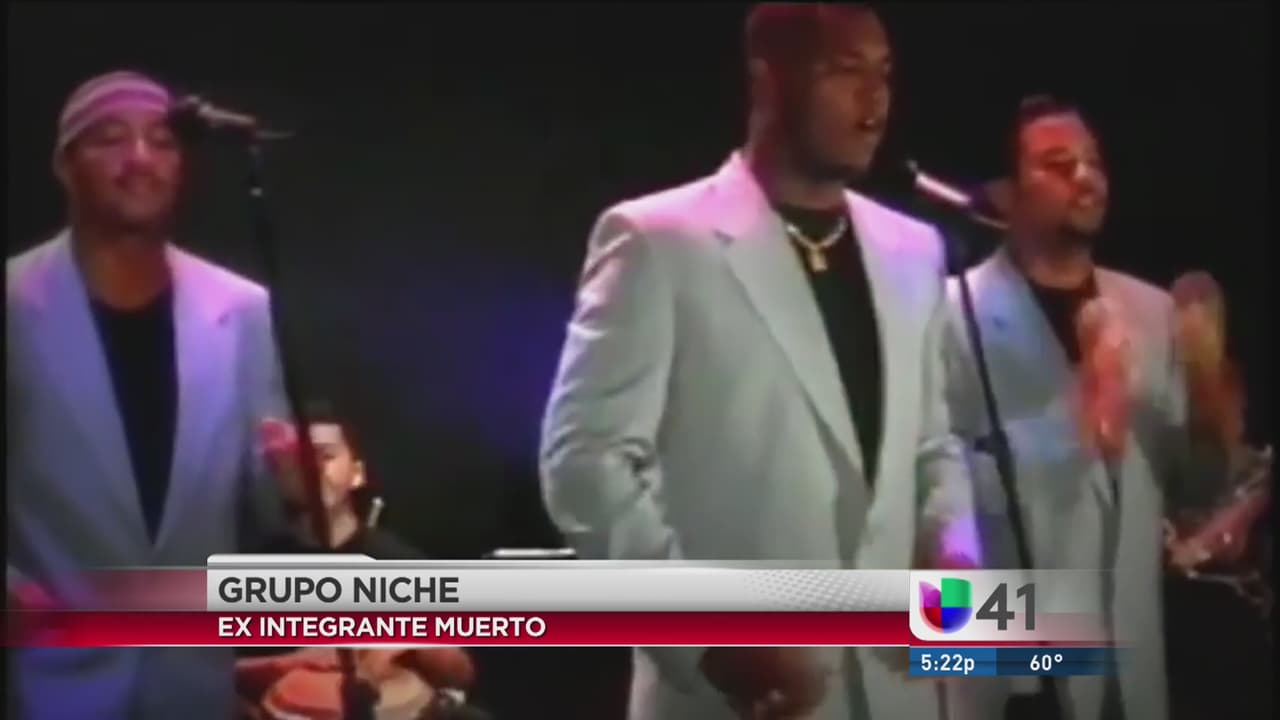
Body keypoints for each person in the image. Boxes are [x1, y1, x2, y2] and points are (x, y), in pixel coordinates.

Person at [539, 4, 980, 719]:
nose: (874, 102)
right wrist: (708, 641)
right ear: (768, 82)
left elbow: (934, 443)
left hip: (900, 687)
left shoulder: (914, 249)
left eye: (885, 76)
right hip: (738, 698)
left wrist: (954, 556)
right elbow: (584, 464)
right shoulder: (657, 239)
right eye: (845, 72)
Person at [940, 95, 1262, 720]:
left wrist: (1213, 408)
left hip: (1131, 668)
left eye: (1094, 162)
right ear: (1006, 194)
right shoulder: (956, 316)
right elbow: (937, 484)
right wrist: (1077, 421)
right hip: (1015, 669)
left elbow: (1195, 493)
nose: (1086, 178)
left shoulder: (1153, 313)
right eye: (1059, 164)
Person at [6, 70, 289, 718]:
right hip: (51, 680)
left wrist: (305, 484)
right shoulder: (13, 305)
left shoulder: (243, 309)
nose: (140, 159)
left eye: (161, 141)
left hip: (193, 683)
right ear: (65, 164)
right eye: (110, 138)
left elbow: (272, 500)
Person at [238, 402, 479, 719]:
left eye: (326, 456)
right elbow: (218, 671)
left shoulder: (396, 561)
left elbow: (461, 673)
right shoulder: (259, 567)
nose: (313, 469)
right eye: (301, 459)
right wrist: (295, 662)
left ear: (356, 474)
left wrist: (414, 636)